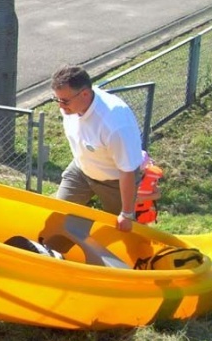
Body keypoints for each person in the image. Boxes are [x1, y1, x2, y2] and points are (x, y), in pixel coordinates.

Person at [50, 66, 143, 232]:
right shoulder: (72, 107)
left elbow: (127, 171)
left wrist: (127, 214)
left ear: (85, 94)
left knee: (122, 230)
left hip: (115, 180)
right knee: (59, 212)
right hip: (82, 168)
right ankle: (57, 253)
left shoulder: (114, 123)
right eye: (57, 100)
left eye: (64, 101)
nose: (60, 106)